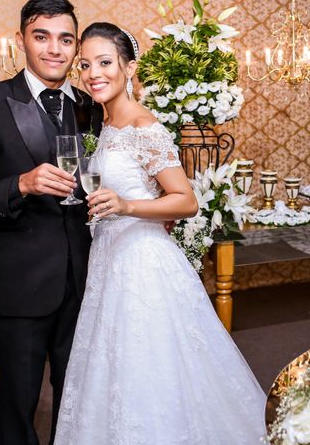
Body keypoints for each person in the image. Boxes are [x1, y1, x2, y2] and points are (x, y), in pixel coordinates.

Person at [53, 22, 267, 444]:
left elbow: (186, 200)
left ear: (129, 68)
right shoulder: (108, 123)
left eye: (105, 62)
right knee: (112, 364)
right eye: (85, 64)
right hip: (110, 260)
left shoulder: (143, 125)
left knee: (148, 362)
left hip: (142, 264)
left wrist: (128, 206)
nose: (93, 72)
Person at [0, 0, 102, 444]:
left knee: (78, 397)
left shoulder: (91, 105)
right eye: (41, 37)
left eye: (65, 39)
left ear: (75, 47)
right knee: (16, 405)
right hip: (21, 286)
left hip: (87, 281)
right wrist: (21, 184)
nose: (55, 49)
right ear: (21, 41)